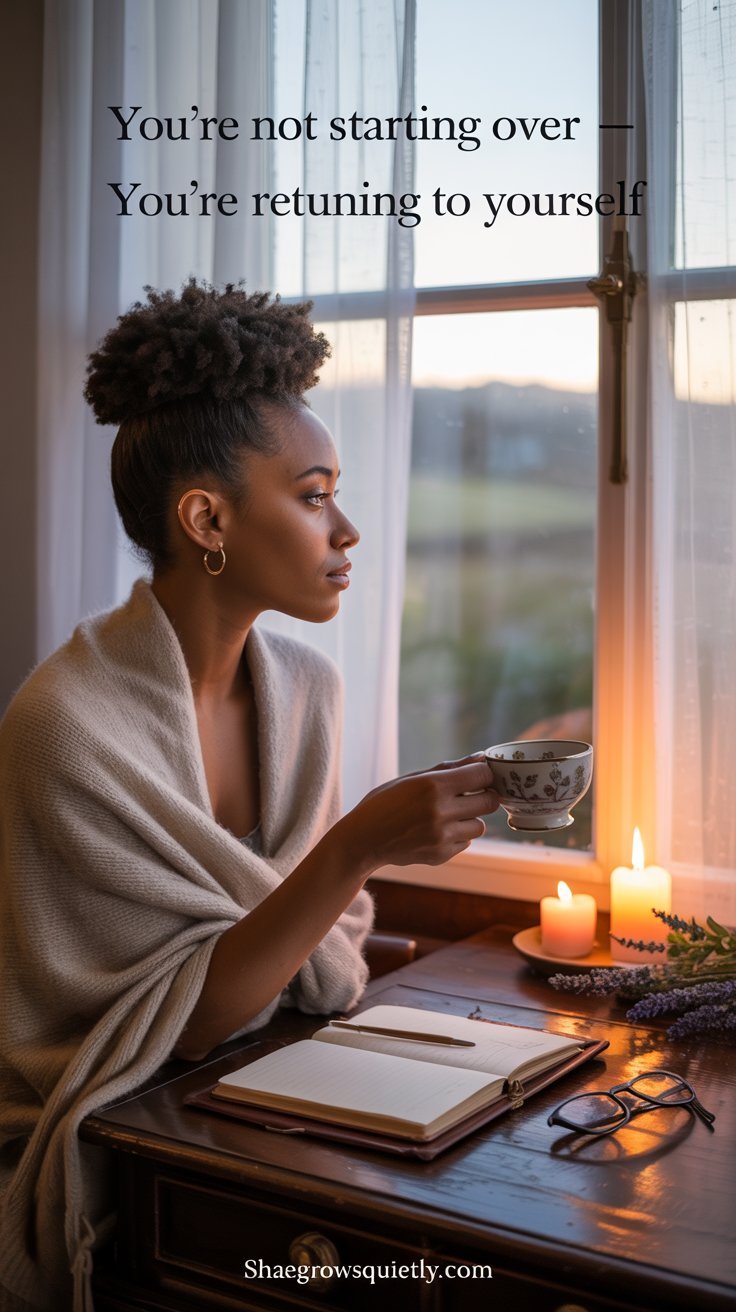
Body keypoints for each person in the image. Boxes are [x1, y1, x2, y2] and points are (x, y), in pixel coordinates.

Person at [0, 280, 499, 1311]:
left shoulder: (306, 689)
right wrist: (357, 845)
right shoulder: (65, 725)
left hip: (262, 1088)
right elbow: (178, 1022)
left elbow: (315, 962)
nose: (346, 527)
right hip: (111, 1120)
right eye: (314, 494)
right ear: (206, 518)